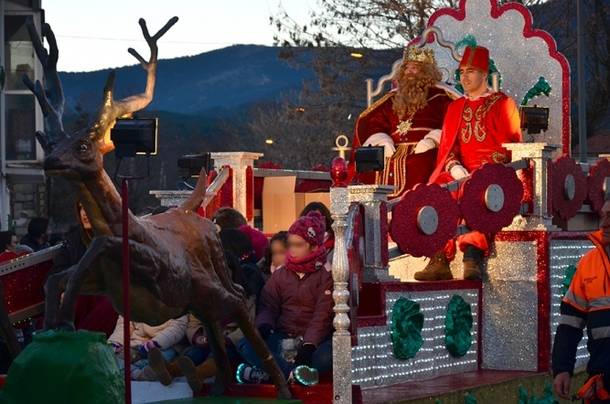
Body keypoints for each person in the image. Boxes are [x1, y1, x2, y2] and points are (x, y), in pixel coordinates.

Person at [414, 45, 522, 281]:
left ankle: (472, 255)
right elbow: (448, 149)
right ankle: (439, 257)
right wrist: (454, 167)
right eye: (462, 71)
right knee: (437, 190)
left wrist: (482, 170)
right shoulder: (454, 108)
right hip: (460, 171)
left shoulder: (503, 104)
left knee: (477, 191)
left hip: (492, 173)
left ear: (484, 74)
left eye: (471, 71)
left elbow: (512, 148)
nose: (464, 76)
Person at [146, 229, 265, 391]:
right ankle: (171, 370)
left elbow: (248, 324)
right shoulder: (207, 293)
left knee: (219, 354)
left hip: (231, 343)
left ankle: (198, 374)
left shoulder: (246, 295)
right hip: (207, 337)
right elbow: (194, 319)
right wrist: (197, 337)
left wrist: (228, 339)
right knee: (194, 352)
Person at [236, 211, 333, 386]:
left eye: (299, 245)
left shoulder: (327, 274)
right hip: (283, 336)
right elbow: (268, 305)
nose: (293, 250)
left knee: (327, 357)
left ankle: (268, 373)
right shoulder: (281, 274)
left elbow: (322, 315)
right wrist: (264, 326)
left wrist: (309, 345)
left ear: (313, 246)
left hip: (313, 343)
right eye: (291, 244)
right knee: (246, 345)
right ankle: (291, 374)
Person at [350, 46, 454, 198]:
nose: (409, 72)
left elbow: (453, 123)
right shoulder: (392, 99)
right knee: (363, 163)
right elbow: (373, 123)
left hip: (423, 149)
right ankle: (363, 209)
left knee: (421, 164)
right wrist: (382, 141)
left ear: (427, 72)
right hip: (390, 149)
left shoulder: (441, 98)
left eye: (415, 68)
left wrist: (432, 140)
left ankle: (413, 211)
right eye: (407, 68)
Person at [552, 200, 610, 403]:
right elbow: (570, 323)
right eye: (603, 215)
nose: (604, 223)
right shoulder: (588, 264)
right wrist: (562, 368)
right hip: (604, 385)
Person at [108, 315, 188, 381]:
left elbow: (178, 327)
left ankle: (141, 370)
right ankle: (138, 374)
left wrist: (154, 344)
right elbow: (124, 324)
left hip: (166, 345)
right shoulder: (132, 299)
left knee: (164, 358)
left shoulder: (175, 300)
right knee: (111, 357)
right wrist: (116, 343)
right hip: (136, 344)